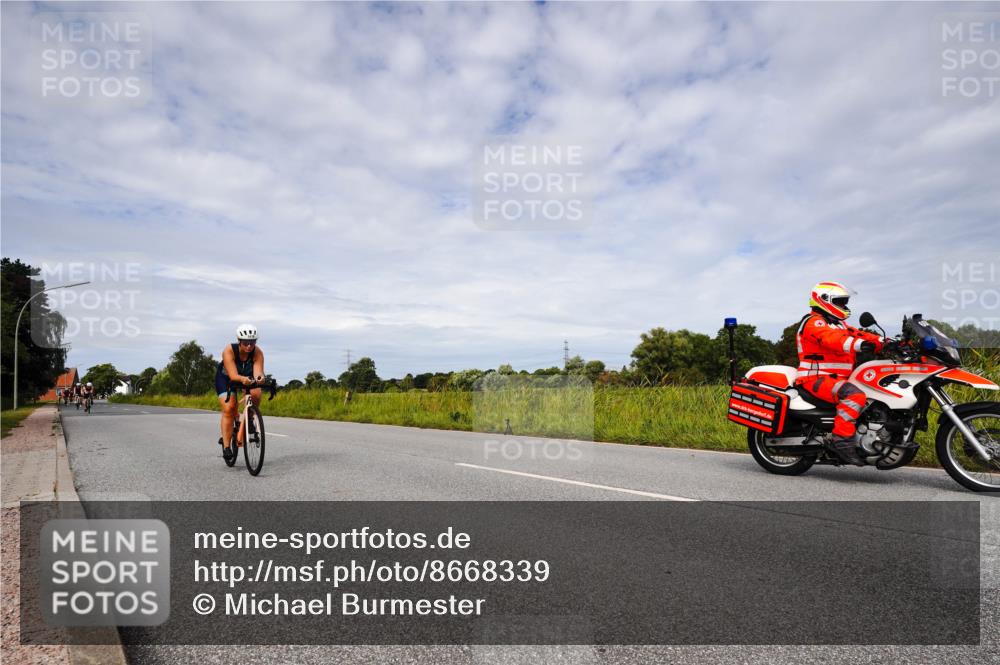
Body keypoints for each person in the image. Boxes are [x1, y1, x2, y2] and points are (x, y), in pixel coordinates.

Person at [795, 282, 884, 466]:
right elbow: (833, 340)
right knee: (854, 396)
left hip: (838, 379)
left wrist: (885, 341)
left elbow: (860, 335)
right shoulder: (814, 322)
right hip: (816, 378)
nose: (844, 306)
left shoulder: (839, 324)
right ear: (825, 300)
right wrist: (861, 345)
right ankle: (841, 441)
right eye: (840, 301)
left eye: (845, 301)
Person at [215, 324, 265, 456]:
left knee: (256, 393)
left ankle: (248, 418)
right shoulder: (229, 350)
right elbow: (233, 376)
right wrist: (243, 380)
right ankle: (226, 447)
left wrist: (260, 378)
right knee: (230, 408)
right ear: (239, 341)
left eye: (252, 342)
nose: (249, 346)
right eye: (246, 343)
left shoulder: (258, 352)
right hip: (226, 378)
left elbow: (258, 372)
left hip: (246, 377)